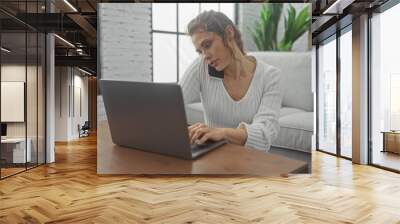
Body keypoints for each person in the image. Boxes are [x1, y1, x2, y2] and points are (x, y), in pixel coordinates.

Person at [179, 10, 282, 151]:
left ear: (229, 33)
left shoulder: (270, 76)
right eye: (199, 51)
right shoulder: (201, 66)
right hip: (212, 155)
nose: (205, 56)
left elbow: (265, 134)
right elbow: (171, 107)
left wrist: (222, 133)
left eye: (207, 45)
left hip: (252, 161)